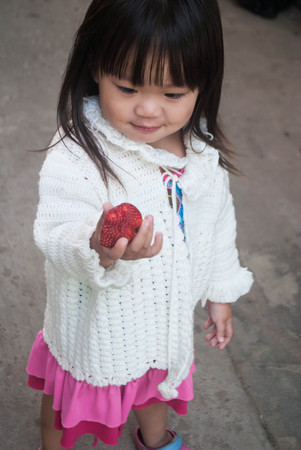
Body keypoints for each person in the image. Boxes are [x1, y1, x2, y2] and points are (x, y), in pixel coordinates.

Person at [26, 1, 253, 449]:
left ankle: (155, 440)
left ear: (202, 84)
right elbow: (55, 229)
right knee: (66, 405)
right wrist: (97, 245)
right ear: (96, 66)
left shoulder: (200, 153)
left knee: (153, 387)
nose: (149, 111)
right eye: (127, 87)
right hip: (97, 326)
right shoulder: (79, 152)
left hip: (164, 321)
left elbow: (217, 225)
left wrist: (220, 292)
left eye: (172, 94)